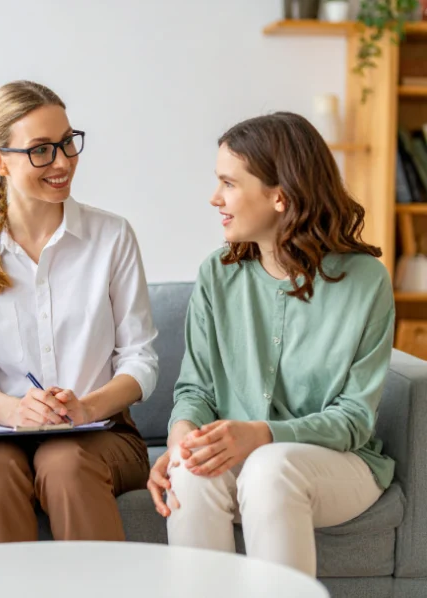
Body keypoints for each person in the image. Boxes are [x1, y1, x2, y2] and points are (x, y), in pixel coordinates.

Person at [147, 112, 395, 577]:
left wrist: (263, 434)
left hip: (339, 464)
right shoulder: (216, 275)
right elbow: (196, 390)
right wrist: (182, 441)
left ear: (279, 195)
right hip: (244, 459)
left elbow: (355, 419)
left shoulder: (365, 283)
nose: (215, 198)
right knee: (193, 474)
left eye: (229, 183)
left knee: (270, 467)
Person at [0, 80, 159, 543]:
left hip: (103, 435)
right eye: (41, 150)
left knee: (62, 462)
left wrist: (85, 408)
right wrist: (16, 410)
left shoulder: (112, 236)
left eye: (67, 143)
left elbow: (141, 360)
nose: (62, 162)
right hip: (4, 433)